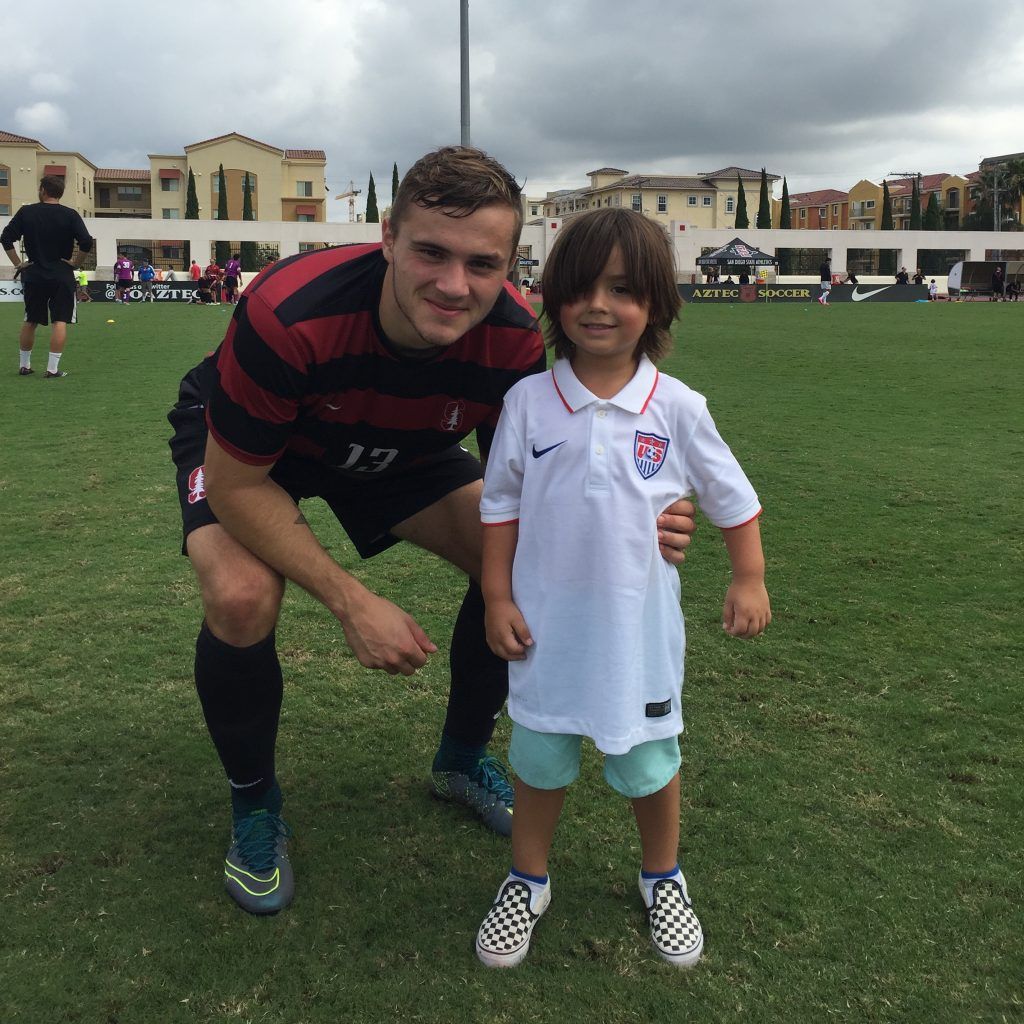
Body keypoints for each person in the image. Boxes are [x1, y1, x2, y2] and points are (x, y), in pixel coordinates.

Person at [166, 146, 698, 917]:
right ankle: (254, 805)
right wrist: (352, 603)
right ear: (388, 236)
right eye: (430, 252)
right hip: (256, 452)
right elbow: (240, 485)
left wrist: (649, 512)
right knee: (242, 596)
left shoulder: (513, 340)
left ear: (512, 265)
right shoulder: (289, 311)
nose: (454, 286)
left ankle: (459, 759)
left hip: (400, 448)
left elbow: (538, 487)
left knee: (516, 569)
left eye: (482, 264)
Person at [472, 208, 770, 970]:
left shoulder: (678, 407)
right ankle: (527, 879)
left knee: (649, 766)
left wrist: (749, 576)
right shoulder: (528, 403)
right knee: (538, 762)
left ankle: (662, 877)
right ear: (554, 297)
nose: (599, 306)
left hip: (639, 639)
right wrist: (498, 598)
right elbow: (499, 507)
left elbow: (733, 498)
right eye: (582, 288)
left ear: (658, 306)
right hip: (548, 634)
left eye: (625, 290)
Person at [1, 174, 94, 378]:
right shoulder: (70, 215)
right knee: (60, 321)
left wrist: (18, 263)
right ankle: (52, 369)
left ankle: (24, 366)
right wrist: (75, 264)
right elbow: (86, 242)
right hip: (61, 274)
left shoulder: (27, 212)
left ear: (43, 190)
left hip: (34, 274)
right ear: (60, 193)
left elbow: (6, 238)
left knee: (30, 320)